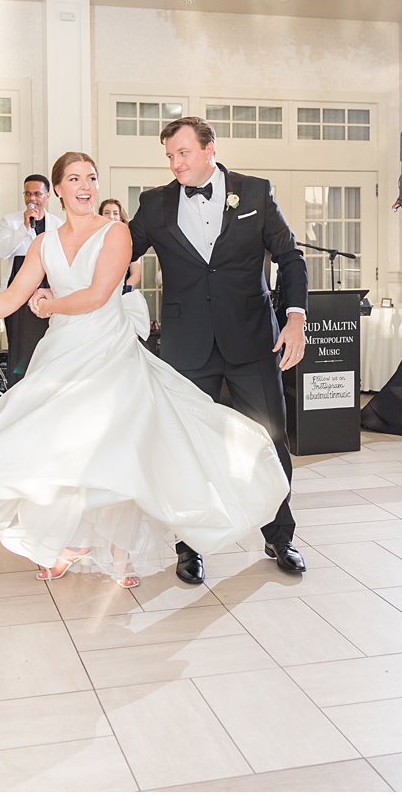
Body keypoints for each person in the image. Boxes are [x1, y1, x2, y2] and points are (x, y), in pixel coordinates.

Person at [0, 151, 288, 589]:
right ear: (59, 190)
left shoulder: (116, 233)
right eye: (74, 178)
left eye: (91, 178)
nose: (85, 186)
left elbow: (98, 295)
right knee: (60, 448)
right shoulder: (43, 242)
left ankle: (118, 553)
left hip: (109, 355)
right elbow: (12, 296)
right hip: (64, 354)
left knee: (115, 451)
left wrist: (49, 305)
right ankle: (69, 542)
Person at [127, 115, 309, 583]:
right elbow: (118, 254)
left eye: (183, 153)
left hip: (252, 339)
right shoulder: (154, 205)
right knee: (187, 447)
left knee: (270, 438)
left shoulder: (255, 193)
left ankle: (280, 536)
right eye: (169, 156)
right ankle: (191, 547)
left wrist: (295, 318)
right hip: (187, 346)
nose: (175, 163)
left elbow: (290, 257)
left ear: (211, 149)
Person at [0, 174, 63, 385]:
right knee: (20, 348)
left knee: (46, 347)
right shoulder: (11, 221)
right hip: (18, 293)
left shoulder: (58, 224)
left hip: (47, 293)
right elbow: (2, 251)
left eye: (37, 193)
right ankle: (17, 393)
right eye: (27, 193)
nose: (32, 198)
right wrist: (24, 227)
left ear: (48, 195)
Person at [98, 198, 142, 293]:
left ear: (121, 217)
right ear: (100, 216)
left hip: (122, 293)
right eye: (106, 212)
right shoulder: (94, 240)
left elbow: (136, 273)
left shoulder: (130, 240)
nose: (111, 216)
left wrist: (125, 289)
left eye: (115, 213)